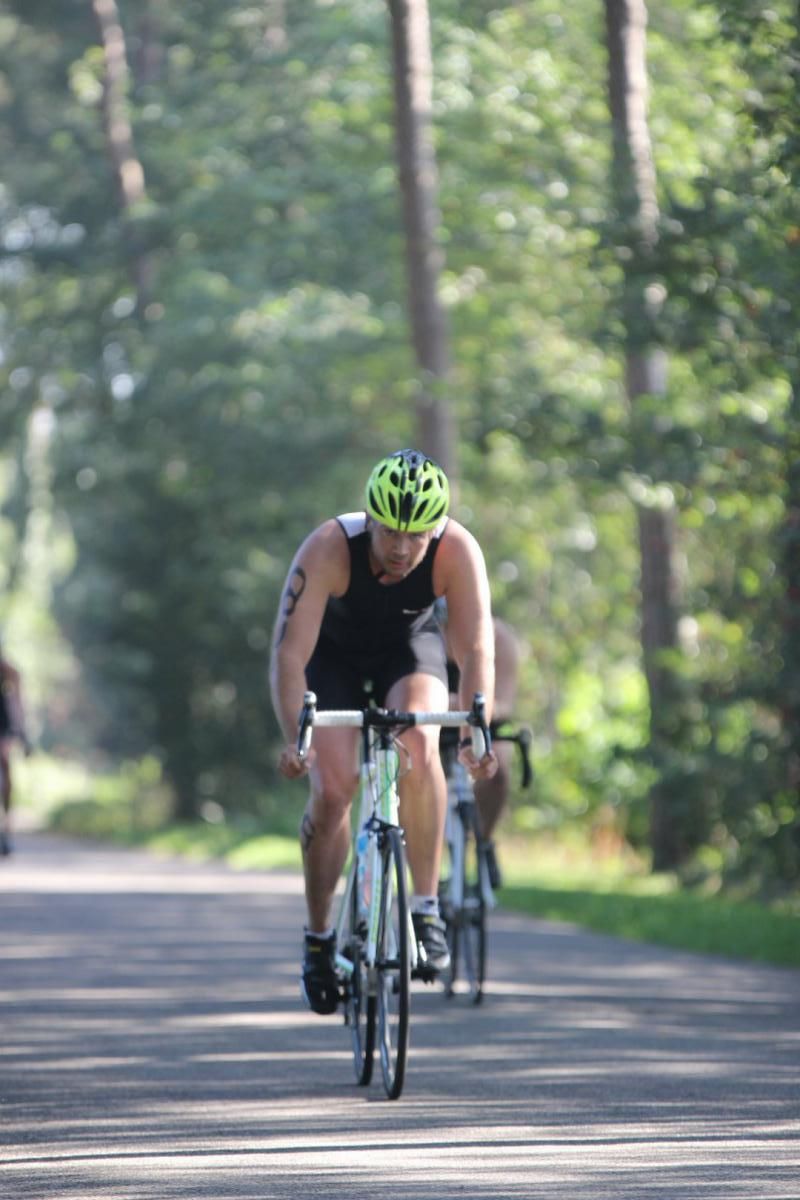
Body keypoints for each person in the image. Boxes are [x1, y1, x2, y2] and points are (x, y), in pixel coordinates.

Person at [270, 448, 498, 1014]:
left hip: (408, 649)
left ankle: (425, 908)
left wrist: (477, 732)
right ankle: (320, 938)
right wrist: (295, 737)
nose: (401, 549)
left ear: (435, 529)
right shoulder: (328, 547)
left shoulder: (456, 549)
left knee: (420, 745)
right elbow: (289, 656)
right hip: (334, 660)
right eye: (390, 532)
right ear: (368, 518)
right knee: (333, 789)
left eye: (416, 535)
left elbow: (474, 648)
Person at [440, 608, 522, 889]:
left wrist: (455, 703)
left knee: (498, 770)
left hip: (484, 721)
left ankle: (484, 841)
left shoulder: (501, 639)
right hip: (433, 723)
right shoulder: (423, 635)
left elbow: (505, 706)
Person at [0, 641, 32, 857]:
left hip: (2, 726)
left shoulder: (6, 670)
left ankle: (7, 830)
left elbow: (17, 691)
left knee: (5, 770)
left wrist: (20, 730)